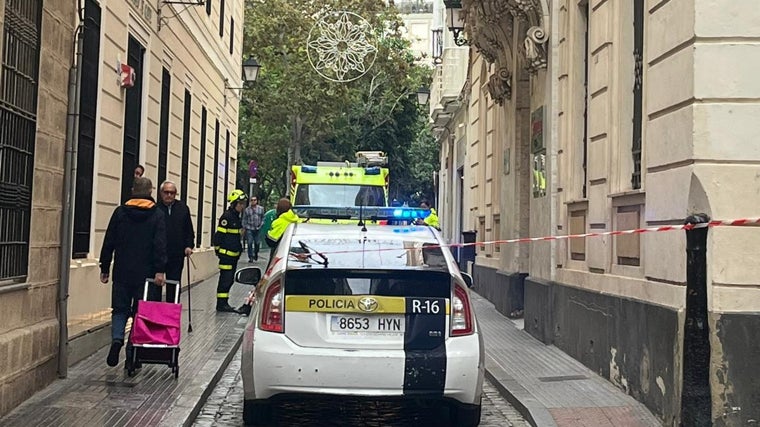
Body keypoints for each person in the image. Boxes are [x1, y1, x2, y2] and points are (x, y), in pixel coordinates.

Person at [99, 177, 167, 367]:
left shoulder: (120, 212)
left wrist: (105, 267)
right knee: (140, 313)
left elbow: (109, 241)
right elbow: (160, 244)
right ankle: (132, 353)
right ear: (151, 192)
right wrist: (160, 270)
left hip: (122, 270)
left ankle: (117, 339)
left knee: (119, 309)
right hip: (146, 275)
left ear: (132, 190)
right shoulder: (157, 215)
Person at [156, 181, 195, 303]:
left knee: (174, 284)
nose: (169, 195)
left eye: (172, 193)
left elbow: (188, 229)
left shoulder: (182, 208)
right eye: (166, 192)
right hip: (158, 254)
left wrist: (189, 245)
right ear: (161, 193)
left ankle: (171, 313)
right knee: (156, 284)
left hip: (176, 254)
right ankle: (156, 314)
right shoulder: (155, 208)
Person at [213, 189, 247, 313]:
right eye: (240, 203)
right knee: (225, 279)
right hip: (226, 255)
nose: (242, 206)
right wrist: (219, 251)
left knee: (229, 279)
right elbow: (218, 236)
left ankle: (224, 303)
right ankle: (221, 304)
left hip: (233, 256)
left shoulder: (235, 217)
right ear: (234, 204)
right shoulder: (227, 217)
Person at [242, 196, 265, 262]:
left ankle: (256, 253)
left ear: (257, 201)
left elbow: (263, 218)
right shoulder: (247, 210)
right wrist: (244, 227)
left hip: (258, 228)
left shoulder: (261, 209)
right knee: (249, 242)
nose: (253, 201)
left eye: (254, 200)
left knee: (257, 243)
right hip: (249, 228)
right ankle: (250, 257)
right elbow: (244, 219)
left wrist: (261, 224)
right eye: (252, 200)